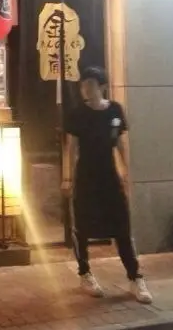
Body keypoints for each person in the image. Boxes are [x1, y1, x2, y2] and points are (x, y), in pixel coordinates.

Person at [61, 66, 152, 304]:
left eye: (90, 84)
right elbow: (71, 147)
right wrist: (68, 178)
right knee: (82, 227)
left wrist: (126, 171)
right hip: (85, 175)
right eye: (83, 85)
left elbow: (121, 143)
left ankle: (135, 277)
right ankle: (85, 273)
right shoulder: (77, 114)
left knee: (122, 225)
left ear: (102, 86)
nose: (85, 89)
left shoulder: (115, 110)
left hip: (109, 175)